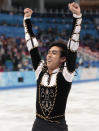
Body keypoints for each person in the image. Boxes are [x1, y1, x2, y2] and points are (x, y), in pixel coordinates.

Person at [23, 2, 82, 131]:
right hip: (38, 125)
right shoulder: (40, 70)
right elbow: (32, 47)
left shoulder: (66, 74)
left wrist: (77, 17)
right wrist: (27, 20)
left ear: (63, 59)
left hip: (57, 127)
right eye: (49, 52)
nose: (49, 55)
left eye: (54, 53)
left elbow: (73, 46)